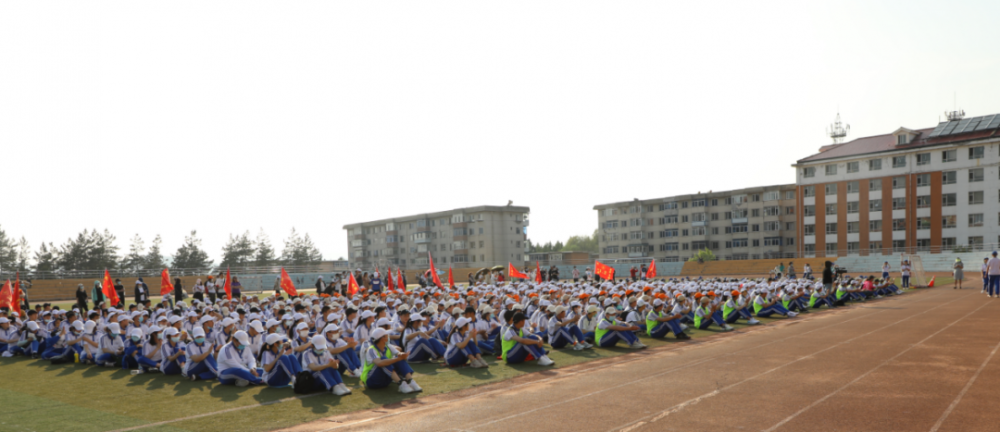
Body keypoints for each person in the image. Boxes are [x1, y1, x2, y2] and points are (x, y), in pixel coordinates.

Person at [362, 328, 421, 393]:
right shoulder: (371, 350)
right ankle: (401, 384)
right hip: (372, 381)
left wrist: (402, 355)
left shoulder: (388, 346)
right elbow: (379, 363)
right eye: (387, 335)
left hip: (385, 380)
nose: (388, 337)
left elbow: (398, 354)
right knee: (384, 359)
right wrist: (398, 358)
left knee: (398, 358)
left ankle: (410, 381)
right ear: (382, 338)